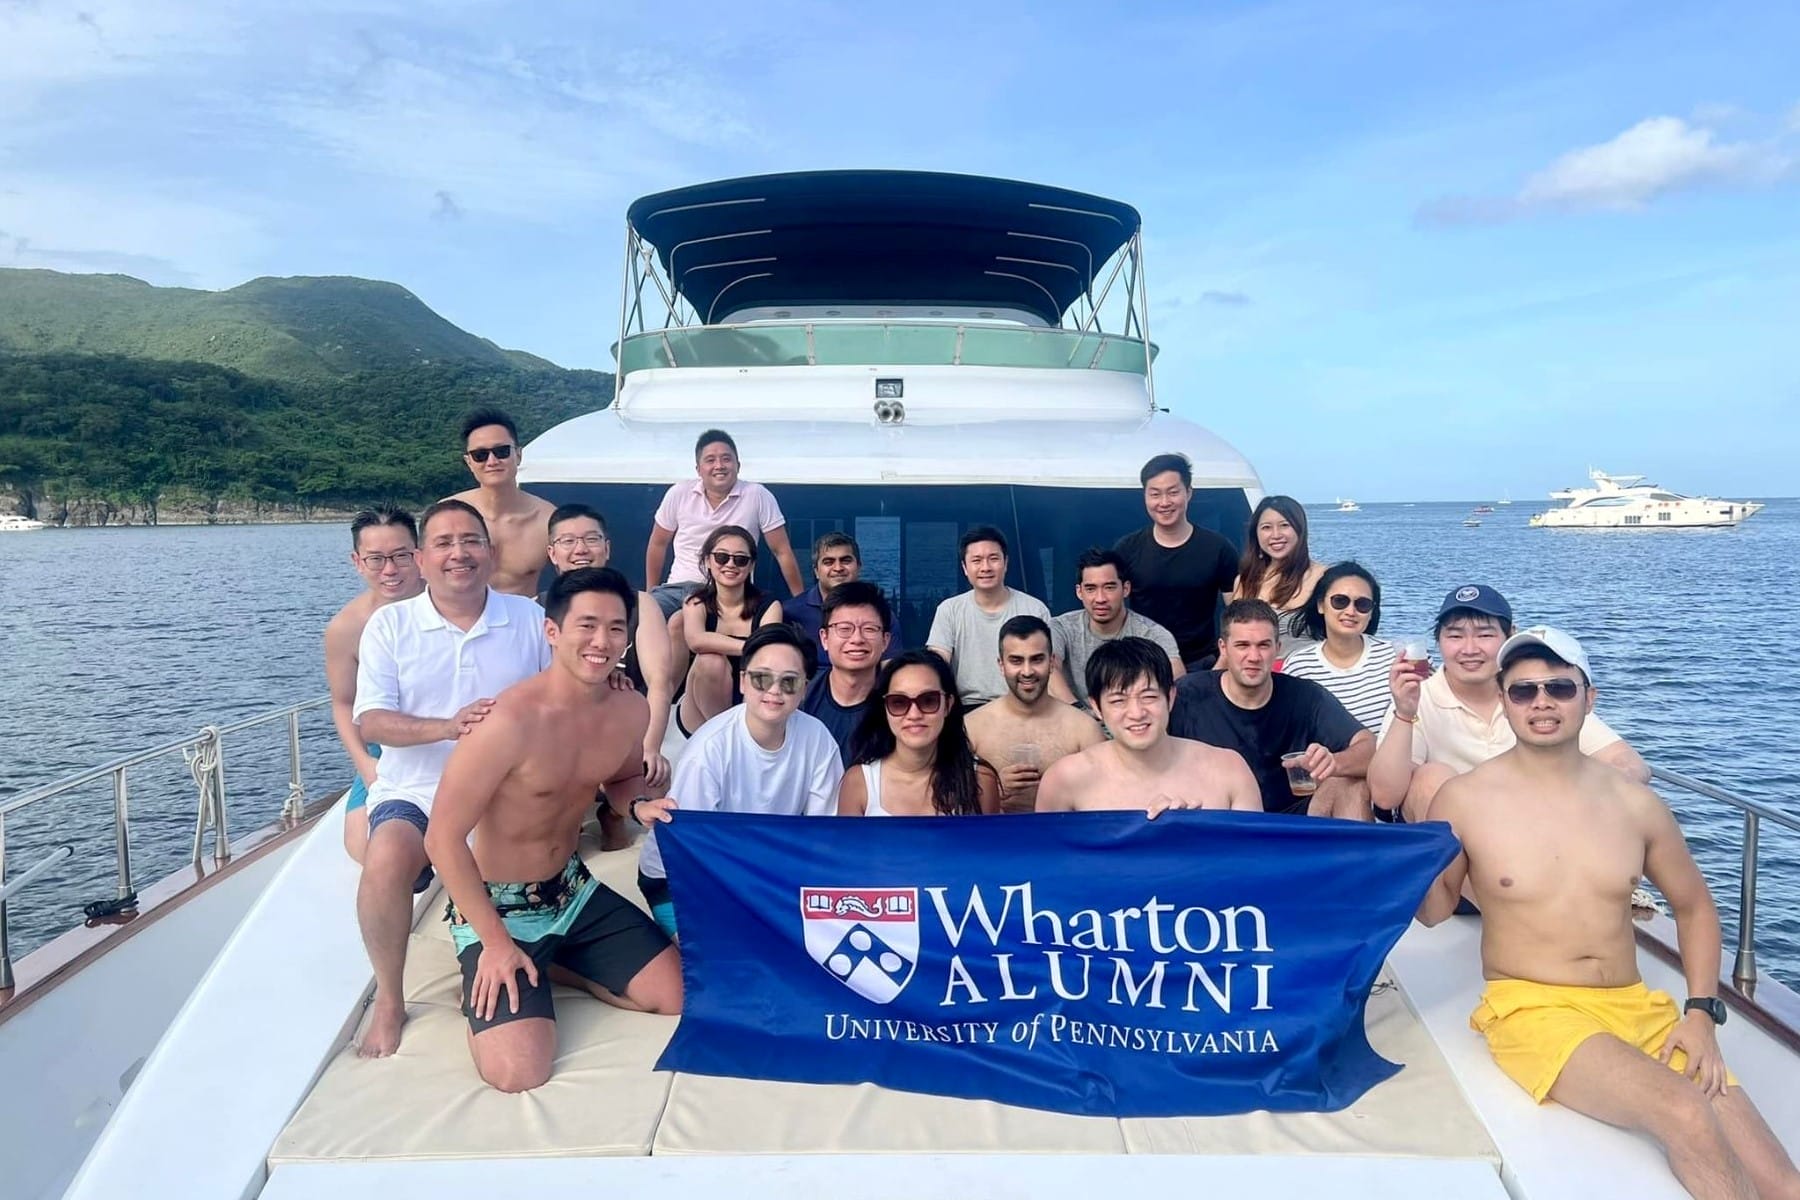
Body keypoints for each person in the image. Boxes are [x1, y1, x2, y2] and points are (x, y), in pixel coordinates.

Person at [1417, 628, 1800, 1200]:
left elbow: (1694, 908)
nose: (1541, 702)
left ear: (1588, 698)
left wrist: (1700, 1016)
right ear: (1502, 701)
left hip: (1638, 1007)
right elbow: (1433, 913)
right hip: (1532, 1006)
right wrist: (1406, 862)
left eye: (1559, 688)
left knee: (1785, 1182)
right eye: (1522, 692)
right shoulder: (1463, 799)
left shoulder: (1636, 804)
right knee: (1685, 1112)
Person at [424, 568, 682, 1093]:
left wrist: (639, 807)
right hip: (498, 909)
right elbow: (442, 838)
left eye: (615, 628)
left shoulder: (630, 709)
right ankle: (486, 966)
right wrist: (495, 945)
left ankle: (558, 961)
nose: (601, 641)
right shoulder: (506, 723)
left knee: (677, 996)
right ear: (552, 632)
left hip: (571, 889)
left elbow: (623, 778)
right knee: (518, 1074)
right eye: (586, 625)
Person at [350, 499, 551, 1057]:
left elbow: (562, 697)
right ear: (420, 557)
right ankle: (391, 998)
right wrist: (447, 726)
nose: (458, 553)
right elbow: (372, 719)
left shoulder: (530, 619)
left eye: (470, 541)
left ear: (490, 552)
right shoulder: (390, 625)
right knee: (385, 858)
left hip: (503, 793)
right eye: (443, 543)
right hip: (417, 790)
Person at [1369, 584, 1649, 824]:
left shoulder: (1535, 693)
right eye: (1455, 636)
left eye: (1485, 635)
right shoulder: (1420, 697)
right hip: (1455, 847)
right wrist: (1404, 713)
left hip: (1533, 827)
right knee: (1432, 778)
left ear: (1510, 636)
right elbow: (1384, 796)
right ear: (1439, 641)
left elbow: (1630, 766)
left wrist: (1562, 794)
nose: (1469, 649)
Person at [637, 623, 844, 938]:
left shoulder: (818, 739)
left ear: (804, 688)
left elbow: (824, 834)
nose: (774, 690)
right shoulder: (710, 748)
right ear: (743, 681)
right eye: (762, 678)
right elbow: (695, 849)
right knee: (721, 962)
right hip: (679, 876)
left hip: (767, 871)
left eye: (789, 682)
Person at [1169, 599, 1372, 819]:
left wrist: (1333, 764)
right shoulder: (1187, 695)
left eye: (1263, 645)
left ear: (1277, 648)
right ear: (1223, 648)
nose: (1254, 657)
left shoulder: (1306, 696)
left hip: (1294, 820)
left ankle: (1360, 854)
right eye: (1243, 645)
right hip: (1217, 818)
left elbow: (1369, 746)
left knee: (1351, 785)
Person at [1038, 637, 1262, 815]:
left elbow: (1255, 860)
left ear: (1171, 697)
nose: (1136, 713)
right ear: (1096, 707)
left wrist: (1199, 835)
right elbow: (1048, 864)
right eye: (1118, 701)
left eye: (1149, 697)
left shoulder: (1229, 770)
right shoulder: (1064, 780)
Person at [542, 502, 674, 794]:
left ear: (607, 548)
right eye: (568, 541)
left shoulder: (639, 604)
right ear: (552, 553)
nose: (581, 549)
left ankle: (613, 815)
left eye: (591, 539)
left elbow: (659, 682)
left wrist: (648, 749)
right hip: (558, 742)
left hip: (621, 736)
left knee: (654, 779)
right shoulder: (534, 609)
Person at [324, 506, 423, 864]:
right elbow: (343, 703)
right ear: (357, 561)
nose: (390, 570)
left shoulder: (453, 603)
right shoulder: (346, 627)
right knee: (363, 847)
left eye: (401, 556)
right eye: (376, 559)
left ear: (420, 553)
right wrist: (366, 765)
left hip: (452, 735)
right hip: (385, 749)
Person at [644, 428, 804, 621]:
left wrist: (800, 601)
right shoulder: (679, 493)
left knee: (685, 624)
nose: (719, 465)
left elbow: (782, 550)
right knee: (642, 615)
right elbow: (658, 543)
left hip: (730, 592)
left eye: (726, 459)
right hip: (677, 589)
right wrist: (650, 594)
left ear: (738, 465)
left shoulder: (758, 495)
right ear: (698, 469)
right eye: (710, 460)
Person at [1114, 453, 1241, 671]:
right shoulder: (1127, 549)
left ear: (1189, 493)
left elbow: (1239, 613)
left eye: (1173, 492)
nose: (1164, 502)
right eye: (1155, 494)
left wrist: (1221, 666)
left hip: (1203, 664)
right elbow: (1109, 606)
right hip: (1143, 663)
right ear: (1145, 496)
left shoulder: (1218, 548)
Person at [965, 616, 1105, 813]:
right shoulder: (972, 728)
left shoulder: (1084, 729)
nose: (1027, 671)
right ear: (1001, 665)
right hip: (994, 838)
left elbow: (1106, 798)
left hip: (1061, 837)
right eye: (1016, 660)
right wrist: (991, 789)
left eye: (1037, 659)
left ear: (1052, 662)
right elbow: (949, 804)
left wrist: (1062, 790)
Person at [927, 525, 1073, 707]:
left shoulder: (1034, 608)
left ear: (1006, 563)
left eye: (993, 558)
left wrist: (1076, 709)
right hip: (967, 707)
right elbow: (937, 663)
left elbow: (1048, 669)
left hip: (1025, 705)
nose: (985, 567)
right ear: (965, 567)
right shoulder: (949, 610)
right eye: (976, 560)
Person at [838, 650, 995, 816]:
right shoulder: (859, 782)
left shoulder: (980, 780)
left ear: (948, 705)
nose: (914, 715)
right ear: (885, 709)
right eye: (898, 702)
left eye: (928, 700)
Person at [676, 525, 784, 735]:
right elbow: (696, 641)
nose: (731, 564)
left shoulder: (769, 605)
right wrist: (752, 646)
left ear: (751, 565)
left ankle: (740, 738)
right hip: (699, 707)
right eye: (722, 557)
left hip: (753, 697)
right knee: (710, 660)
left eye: (740, 559)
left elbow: (769, 656)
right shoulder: (696, 603)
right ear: (708, 560)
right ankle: (726, 737)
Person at [1051, 546, 1184, 707]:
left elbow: (1177, 680)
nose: (1100, 598)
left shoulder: (1151, 633)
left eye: (1109, 587)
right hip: (1077, 721)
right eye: (1091, 588)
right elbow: (1048, 669)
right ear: (1079, 592)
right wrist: (1081, 714)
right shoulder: (1062, 628)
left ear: (1126, 589)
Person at [446, 408, 555, 598]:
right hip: (458, 624)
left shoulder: (547, 520)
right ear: (469, 462)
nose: (492, 461)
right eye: (480, 455)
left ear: (518, 455)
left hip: (522, 624)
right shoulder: (447, 515)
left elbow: (578, 578)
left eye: (502, 451)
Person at [1277, 562, 1398, 733]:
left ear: (1371, 613)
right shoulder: (1299, 666)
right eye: (1340, 601)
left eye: (1362, 604)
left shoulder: (1396, 658)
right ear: (1321, 605)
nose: (1350, 611)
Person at [801, 580, 893, 764]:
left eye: (869, 629)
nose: (857, 639)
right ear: (824, 638)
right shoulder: (801, 698)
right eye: (844, 629)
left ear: (885, 640)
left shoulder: (900, 704)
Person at [1231, 495, 1326, 660]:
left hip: (1308, 678)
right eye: (1266, 527)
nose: (1276, 535)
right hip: (1258, 678)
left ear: (1300, 529)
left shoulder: (1323, 577)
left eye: (1284, 525)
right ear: (1256, 534)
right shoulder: (1244, 581)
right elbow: (1234, 640)